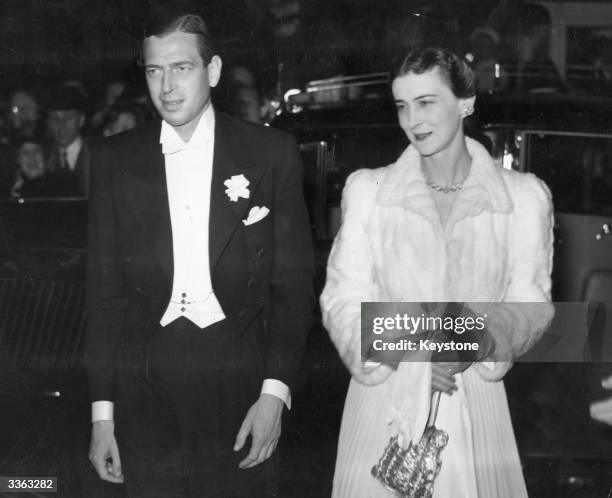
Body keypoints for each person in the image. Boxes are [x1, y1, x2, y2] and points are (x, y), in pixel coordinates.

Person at [84, 10, 314, 498]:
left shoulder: (270, 152)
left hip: (238, 377)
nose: (166, 86)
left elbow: (292, 287)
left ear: (211, 72)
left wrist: (274, 396)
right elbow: (103, 298)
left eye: (181, 68)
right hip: (145, 381)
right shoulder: (113, 159)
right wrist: (102, 415)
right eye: (154, 70)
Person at [320, 47, 554, 498]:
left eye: (426, 102)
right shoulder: (369, 190)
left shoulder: (523, 198)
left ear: (465, 103)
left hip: (472, 400)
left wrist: (469, 340)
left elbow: (532, 306)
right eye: (402, 106)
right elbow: (341, 300)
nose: (413, 120)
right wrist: (413, 355)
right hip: (385, 398)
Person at [46, 85, 90, 197]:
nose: (61, 125)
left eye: (68, 117)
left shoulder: (96, 155)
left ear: (81, 120)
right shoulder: (43, 158)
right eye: (54, 118)